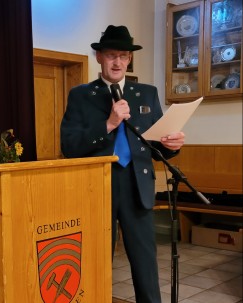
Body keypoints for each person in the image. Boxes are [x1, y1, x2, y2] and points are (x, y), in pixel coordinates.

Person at [60, 25, 185, 303]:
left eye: (123, 55)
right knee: (95, 260)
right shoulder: (81, 95)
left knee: (145, 262)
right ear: (98, 57)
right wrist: (109, 123)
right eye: (111, 55)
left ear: (129, 59)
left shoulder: (147, 93)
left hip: (137, 185)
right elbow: (69, 147)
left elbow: (156, 145)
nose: (117, 62)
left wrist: (171, 146)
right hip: (98, 186)